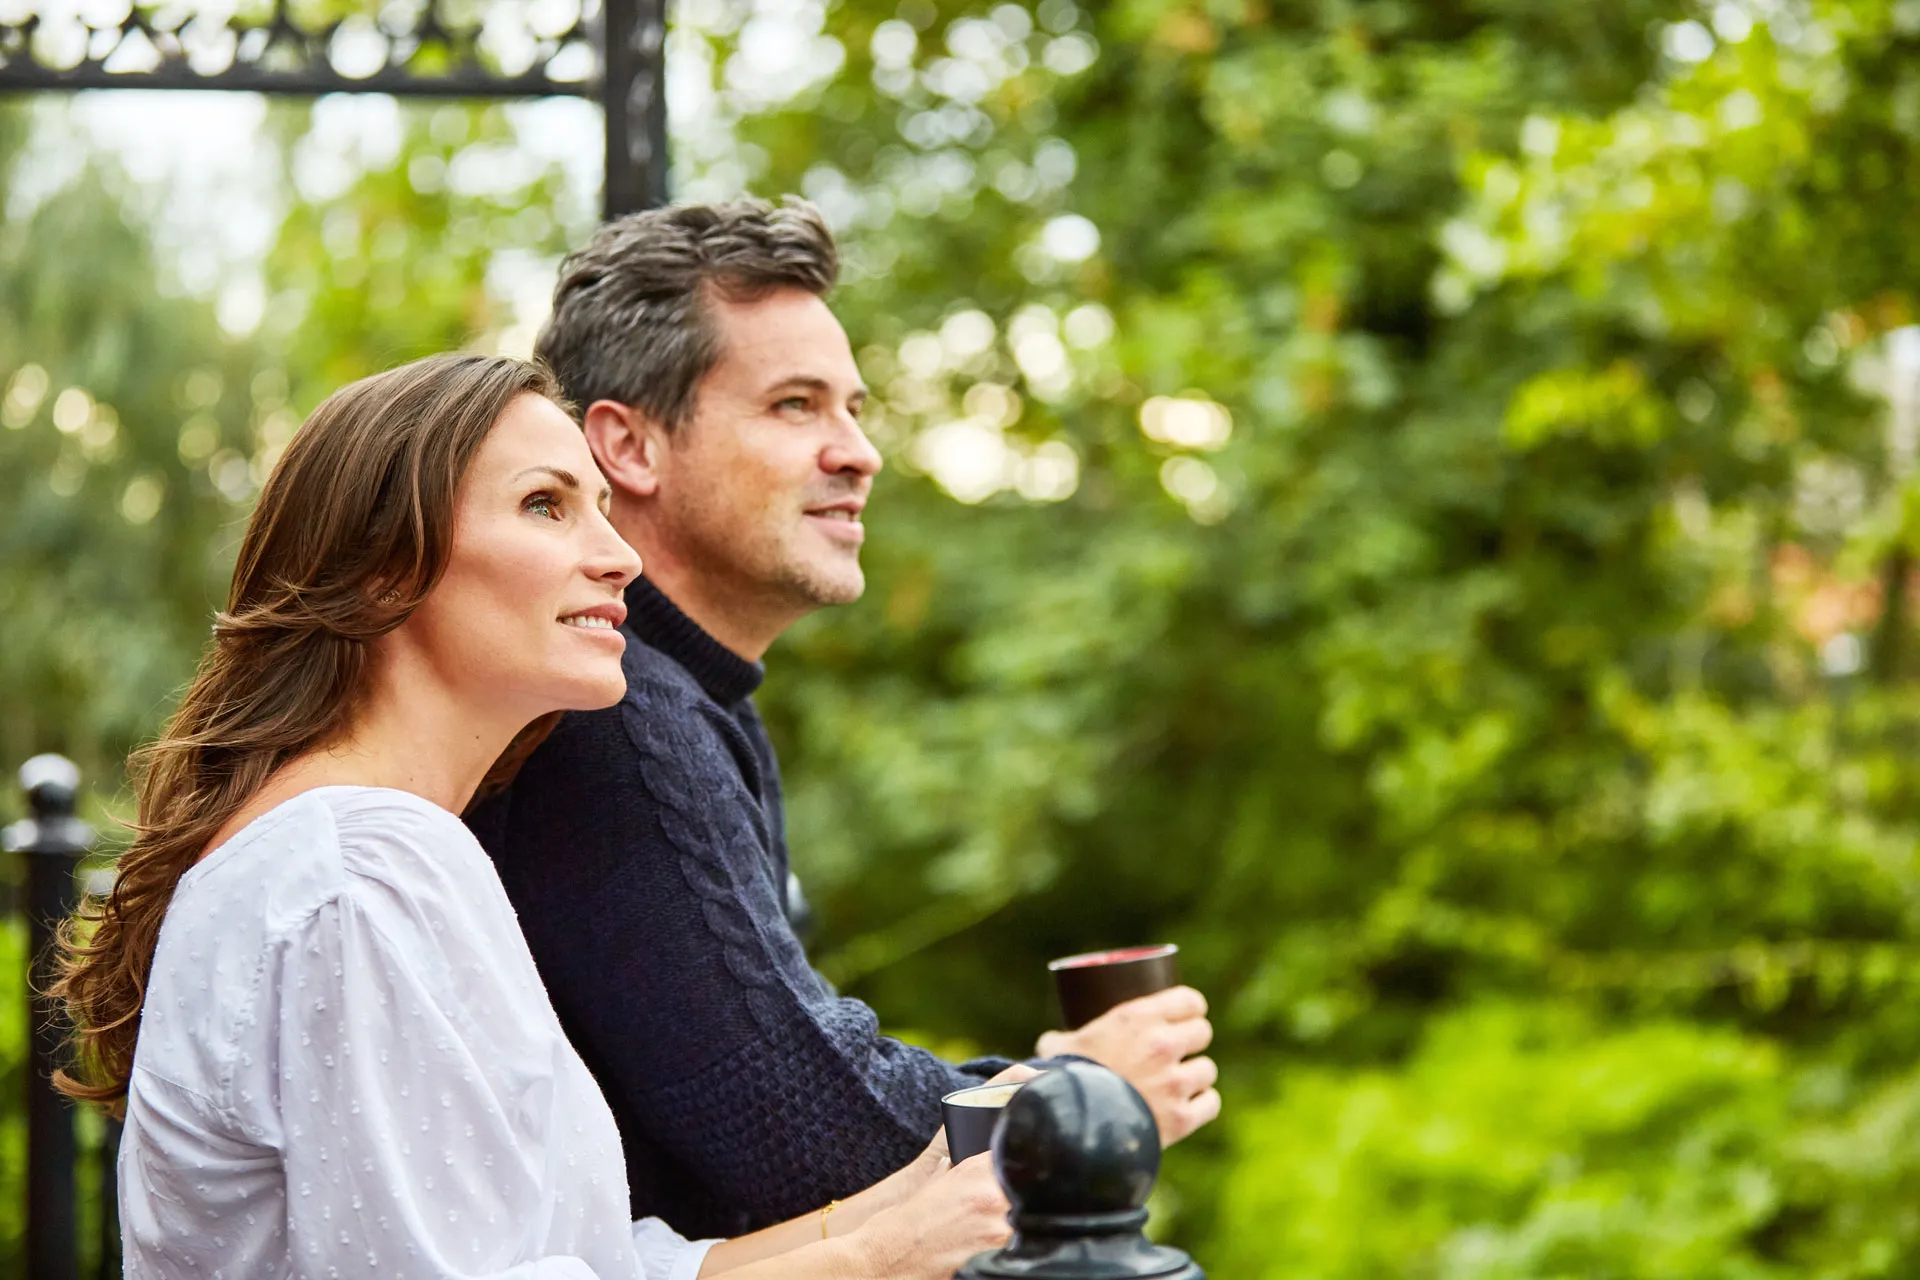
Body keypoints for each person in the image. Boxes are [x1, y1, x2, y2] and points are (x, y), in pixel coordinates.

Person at [52, 353, 1016, 1278]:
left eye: (602, 509)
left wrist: (903, 1206)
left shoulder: (367, 848)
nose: (620, 557)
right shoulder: (360, 870)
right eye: (546, 505)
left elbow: (588, 1264)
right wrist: (880, 1260)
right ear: (390, 567)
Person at [466, 199, 1222, 1240]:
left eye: (855, 408)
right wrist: (1074, 1092)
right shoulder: (618, 713)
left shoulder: (689, 699)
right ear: (629, 448)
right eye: (795, 405)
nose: (858, 451)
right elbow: (807, 1131)